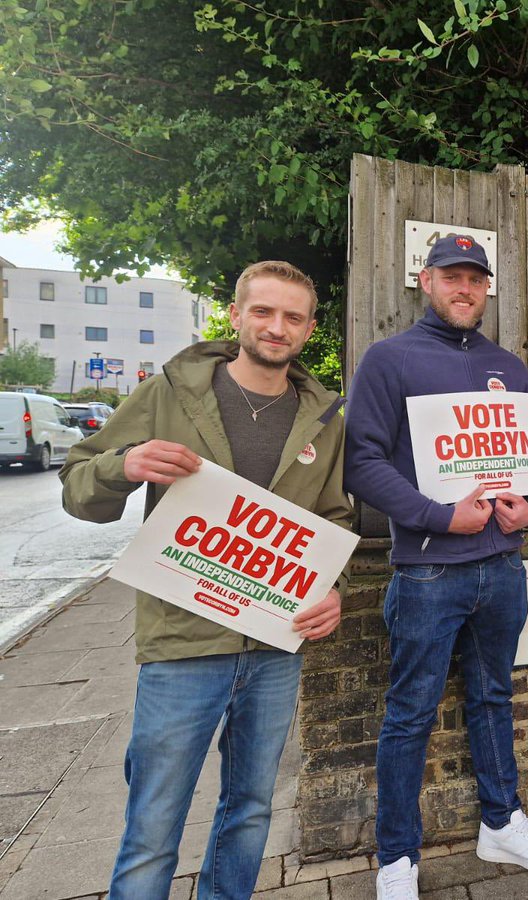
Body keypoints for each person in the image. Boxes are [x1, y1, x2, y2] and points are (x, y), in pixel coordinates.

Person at [60, 260, 352, 900]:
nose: (277, 328)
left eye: (293, 318)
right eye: (264, 312)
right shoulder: (171, 391)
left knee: (249, 810)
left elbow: (331, 516)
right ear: (237, 315)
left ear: (308, 328)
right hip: (181, 644)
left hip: (275, 647)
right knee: (155, 825)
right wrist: (125, 463)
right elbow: (79, 490)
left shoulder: (323, 416)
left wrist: (333, 589)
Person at [344, 235, 528, 900]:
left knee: (494, 698)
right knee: (410, 714)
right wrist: (441, 518)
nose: (464, 288)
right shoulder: (389, 360)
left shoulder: (509, 365)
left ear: (487, 287)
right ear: (426, 279)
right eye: (452, 276)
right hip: (427, 573)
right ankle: (397, 859)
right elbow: (361, 463)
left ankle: (500, 824)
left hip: (502, 566)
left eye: (475, 278)